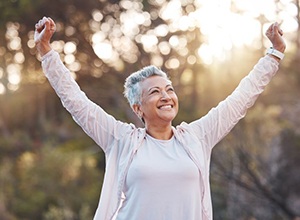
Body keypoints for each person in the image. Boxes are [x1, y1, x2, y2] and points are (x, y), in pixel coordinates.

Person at [34, 16, 286, 220]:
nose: (166, 96)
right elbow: (76, 102)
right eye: (155, 92)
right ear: (138, 108)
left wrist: (274, 54)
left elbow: (240, 99)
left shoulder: (197, 137)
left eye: (169, 90)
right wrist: (46, 52)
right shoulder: (120, 139)